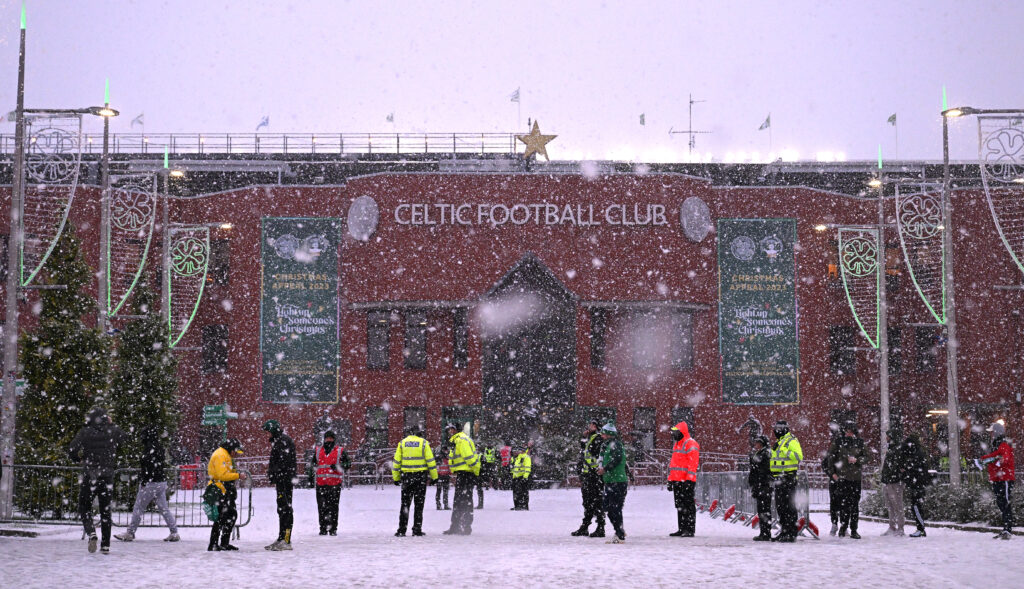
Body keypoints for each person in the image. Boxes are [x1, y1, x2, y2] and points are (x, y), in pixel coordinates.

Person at [68, 407, 127, 554]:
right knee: (105, 510)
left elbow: (71, 449)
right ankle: (105, 545)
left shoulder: (85, 432)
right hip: (107, 475)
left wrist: (78, 459)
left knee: (84, 506)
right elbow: (126, 438)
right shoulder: (112, 430)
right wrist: (112, 425)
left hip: (90, 474)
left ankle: (91, 532)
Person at [115, 427, 179, 543]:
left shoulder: (148, 449)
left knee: (138, 508)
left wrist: (144, 480)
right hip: (161, 481)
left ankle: (130, 532)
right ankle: (174, 532)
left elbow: (147, 467)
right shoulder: (159, 447)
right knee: (164, 508)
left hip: (150, 482)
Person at [391, 426, 438, 536]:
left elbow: (396, 462)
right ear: (419, 433)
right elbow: (431, 462)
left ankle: (402, 530)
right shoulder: (424, 443)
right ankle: (417, 529)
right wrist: (434, 477)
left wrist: (396, 478)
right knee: (419, 504)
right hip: (420, 477)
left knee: (405, 504)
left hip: (406, 477)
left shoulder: (402, 443)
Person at [977, 421, 1015, 540]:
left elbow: (1004, 459)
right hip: (999, 478)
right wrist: (986, 459)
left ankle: (1008, 529)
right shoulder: (997, 444)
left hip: (1004, 479)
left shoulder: (1002, 445)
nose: (991, 434)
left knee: (1005, 503)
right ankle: (1006, 528)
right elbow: (997, 457)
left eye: (992, 432)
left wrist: (987, 460)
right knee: (1001, 502)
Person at [826, 423, 865, 539]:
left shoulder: (860, 442)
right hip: (843, 477)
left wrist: (857, 460)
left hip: (855, 478)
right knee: (844, 504)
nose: (849, 434)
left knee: (854, 505)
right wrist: (832, 473)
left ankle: (854, 529)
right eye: (847, 431)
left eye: (851, 432)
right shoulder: (838, 442)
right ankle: (843, 527)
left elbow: (867, 456)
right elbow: (831, 457)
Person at [263, 420, 296, 551]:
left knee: (286, 509)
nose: (267, 435)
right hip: (282, 480)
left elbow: (283, 462)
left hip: (285, 481)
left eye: (268, 432)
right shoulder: (279, 441)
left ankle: (286, 540)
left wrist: (275, 473)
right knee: (282, 509)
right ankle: (281, 538)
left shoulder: (283, 441)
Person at [207, 438, 245, 551]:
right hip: (219, 490)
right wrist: (238, 475)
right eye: (235, 451)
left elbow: (226, 473)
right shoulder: (220, 455)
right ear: (231, 448)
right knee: (221, 517)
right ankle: (213, 543)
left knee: (231, 515)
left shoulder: (225, 454)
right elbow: (222, 475)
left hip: (225, 490)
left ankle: (224, 542)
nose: (235, 455)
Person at [443, 423, 480, 535]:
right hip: (464, 473)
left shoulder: (461, 440)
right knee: (461, 501)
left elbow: (469, 458)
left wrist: (474, 470)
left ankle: (464, 526)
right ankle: (457, 526)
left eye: (450, 430)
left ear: (455, 430)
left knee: (463, 501)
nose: (449, 432)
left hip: (466, 474)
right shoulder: (458, 440)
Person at [769, 420, 802, 542]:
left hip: (788, 477)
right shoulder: (780, 442)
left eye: (778, 428)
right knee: (781, 507)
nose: (775, 431)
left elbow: (799, 456)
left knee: (789, 507)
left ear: (783, 429)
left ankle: (791, 533)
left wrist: (785, 451)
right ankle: (784, 531)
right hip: (778, 478)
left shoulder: (791, 440)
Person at [572, 420, 606, 537]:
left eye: (592, 425)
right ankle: (585, 526)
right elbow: (583, 449)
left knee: (596, 502)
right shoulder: (591, 438)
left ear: (596, 427)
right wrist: (583, 436)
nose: (589, 426)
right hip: (588, 476)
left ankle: (600, 527)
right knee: (588, 503)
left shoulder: (597, 438)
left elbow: (596, 456)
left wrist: (594, 470)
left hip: (594, 476)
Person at [667, 420, 699, 537]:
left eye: (676, 432)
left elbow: (693, 463)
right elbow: (674, 465)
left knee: (688, 506)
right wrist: (670, 480)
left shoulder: (691, 444)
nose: (674, 434)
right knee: (680, 506)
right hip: (677, 481)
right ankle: (682, 528)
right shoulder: (677, 444)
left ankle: (689, 529)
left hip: (686, 481)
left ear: (682, 432)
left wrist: (689, 480)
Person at [315, 430, 350, 535]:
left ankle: (333, 528)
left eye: (331, 438)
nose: (329, 440)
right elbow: (312, 464)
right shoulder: (318, 450)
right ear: (324, 439)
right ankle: (323, 528)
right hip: (321, 483)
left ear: (334, 439)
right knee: (322, 507)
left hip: (334, 484)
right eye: (327, 438)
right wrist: (310, 476)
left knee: (333, 507)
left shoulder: (340, 451)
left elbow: (348, 463)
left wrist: (339, 467)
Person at [597, 423, 628, 544]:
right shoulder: (608, 445)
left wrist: (605, 469)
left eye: (604, 433)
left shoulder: (616, 445)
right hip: (610, 481)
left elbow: (617, 459)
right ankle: (619, 530)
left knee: (615, 508)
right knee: (608, 508)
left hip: (618, 481)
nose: (602, 435)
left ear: (609, 434)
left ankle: (619, 534)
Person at [902, 433, 932, 538]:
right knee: (916, 505)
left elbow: (915, 469)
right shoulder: (919, 453)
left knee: (916, 506)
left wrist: (907, 471)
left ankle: (921, 528)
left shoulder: (916, 455)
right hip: (918, 482)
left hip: (917, 483)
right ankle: (920, 527)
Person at [879, 429, 906, 537]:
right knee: (890, 505)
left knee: (897, 505)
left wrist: (894, 474)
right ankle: (892, 526)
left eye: (888, 436)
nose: (886, 438)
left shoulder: (897, 449)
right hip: (889, 480)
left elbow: (898, 465)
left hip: (895, 481)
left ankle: (900, 527)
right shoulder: (892, 448)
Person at [748, 435, 773, 541]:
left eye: (757, 443)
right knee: (762, 509)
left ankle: (765, 533)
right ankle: (764, 532)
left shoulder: (765, 453)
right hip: (761, 485)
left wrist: (759, 482)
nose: (756, 445)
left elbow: (761, 469)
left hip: (763, 485)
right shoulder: (761, 453)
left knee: (764, 509)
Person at [821, 424, 841, 536]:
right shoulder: (831, 452)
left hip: (843, 480)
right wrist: (831, 474)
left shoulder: (844, 452)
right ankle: (834, 523)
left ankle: (843, 524)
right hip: (834, 480)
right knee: (834, 502)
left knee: (843, 503)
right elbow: (824, 464)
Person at [511, 446, 532, 510]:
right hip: (517, 477)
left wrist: (525, 477)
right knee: (517, 492)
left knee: (524, 492)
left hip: (523, 477)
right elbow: (515, 468)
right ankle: (518, 505)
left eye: (520, 451)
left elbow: (527, 468)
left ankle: (524, 506)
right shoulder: (518, 458)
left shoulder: (526, 457)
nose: (518, 452)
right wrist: (514, 476)